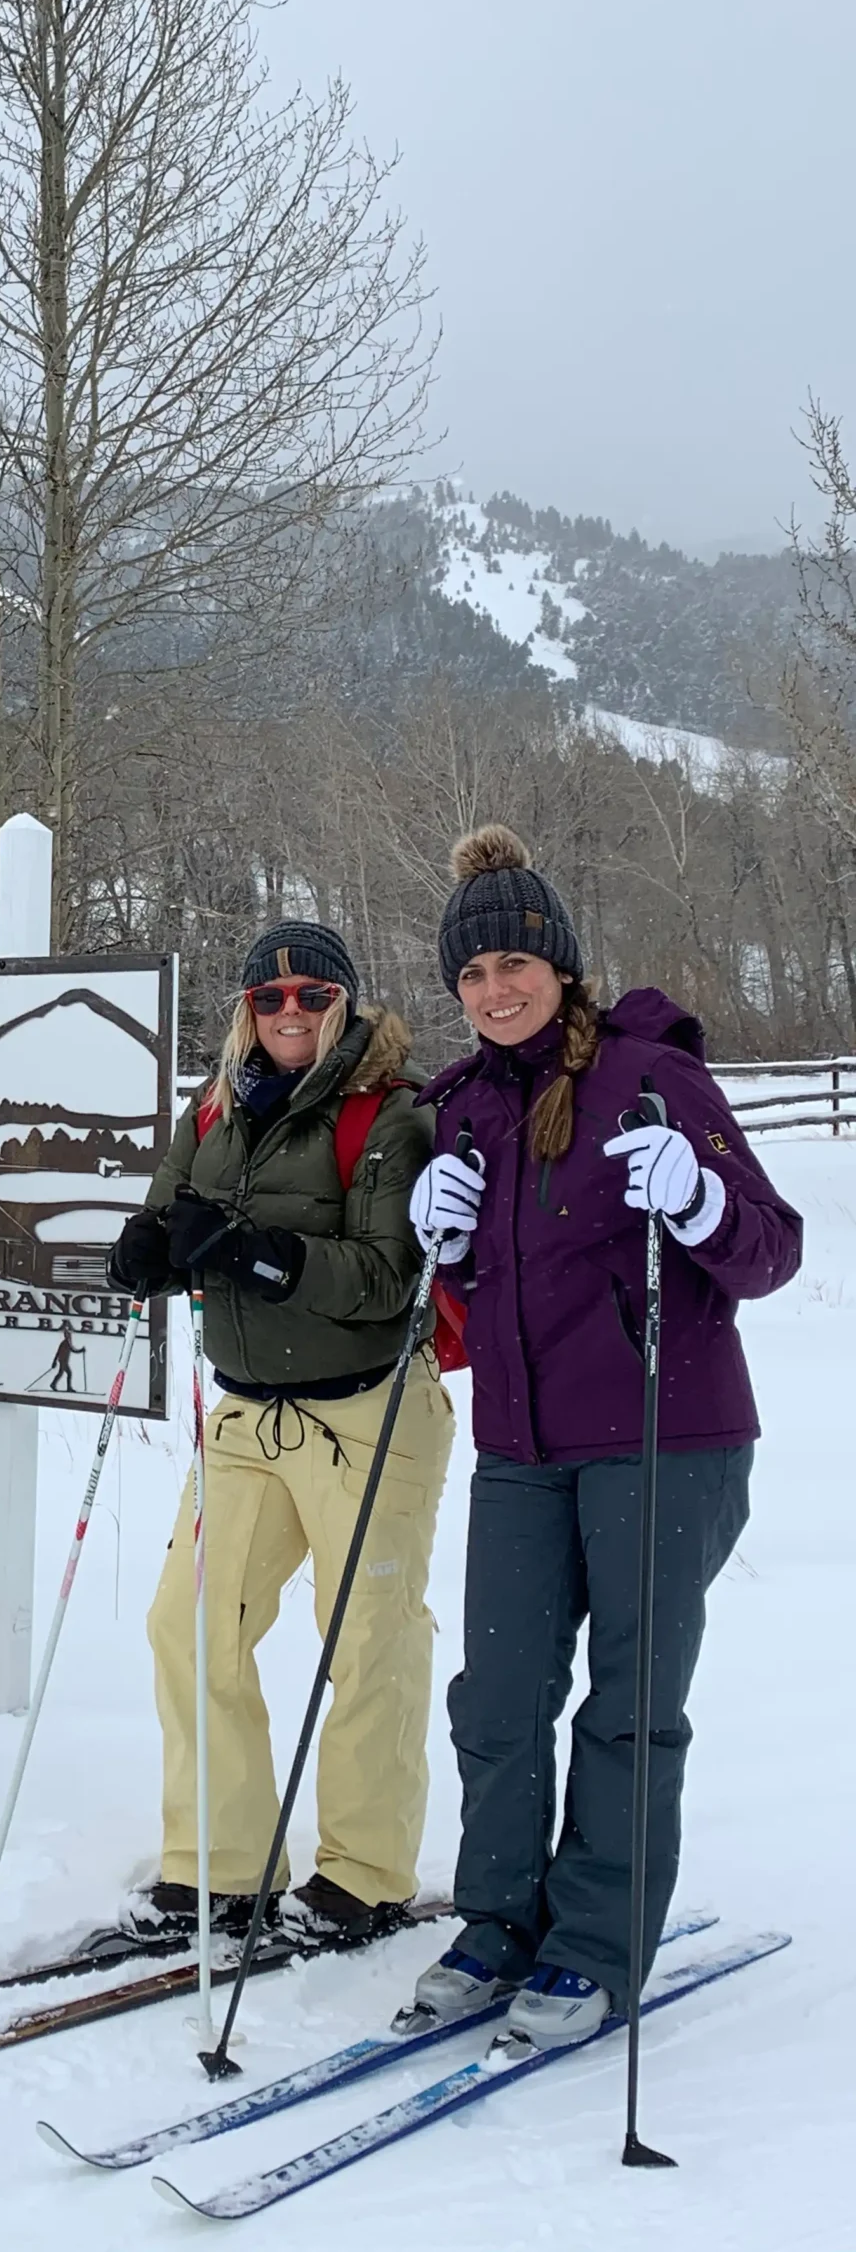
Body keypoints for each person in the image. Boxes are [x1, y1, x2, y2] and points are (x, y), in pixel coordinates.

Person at [403, 827, 801, 2047]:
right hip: (521, 1444)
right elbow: (472, 1298)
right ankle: (498, 1920)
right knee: (500, 1693)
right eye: (472, 974)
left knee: (628, 1705)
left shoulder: (651, 1077)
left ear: (561, 964)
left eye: (516, 961)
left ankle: (590, 1946)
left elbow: (771, 1248)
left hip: (663, 1435)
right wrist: (440, 1239)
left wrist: (696, 1194)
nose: (495, 989)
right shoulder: (462, 1104)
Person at [108, 920, 448, 1950]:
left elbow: (391, 1276)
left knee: (368, 1639)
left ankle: (366, 1873)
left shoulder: (390, 1114)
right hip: (248, 1413)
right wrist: (149, 1251)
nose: (290, 1012)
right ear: (244, 1009)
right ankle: (224, 1867)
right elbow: (173, 1216)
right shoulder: (212, 1107)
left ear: (344, 1002)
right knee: (191, 1623)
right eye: (270, 997)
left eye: (311, 994)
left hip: (368, 1409)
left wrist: (260, 1253)